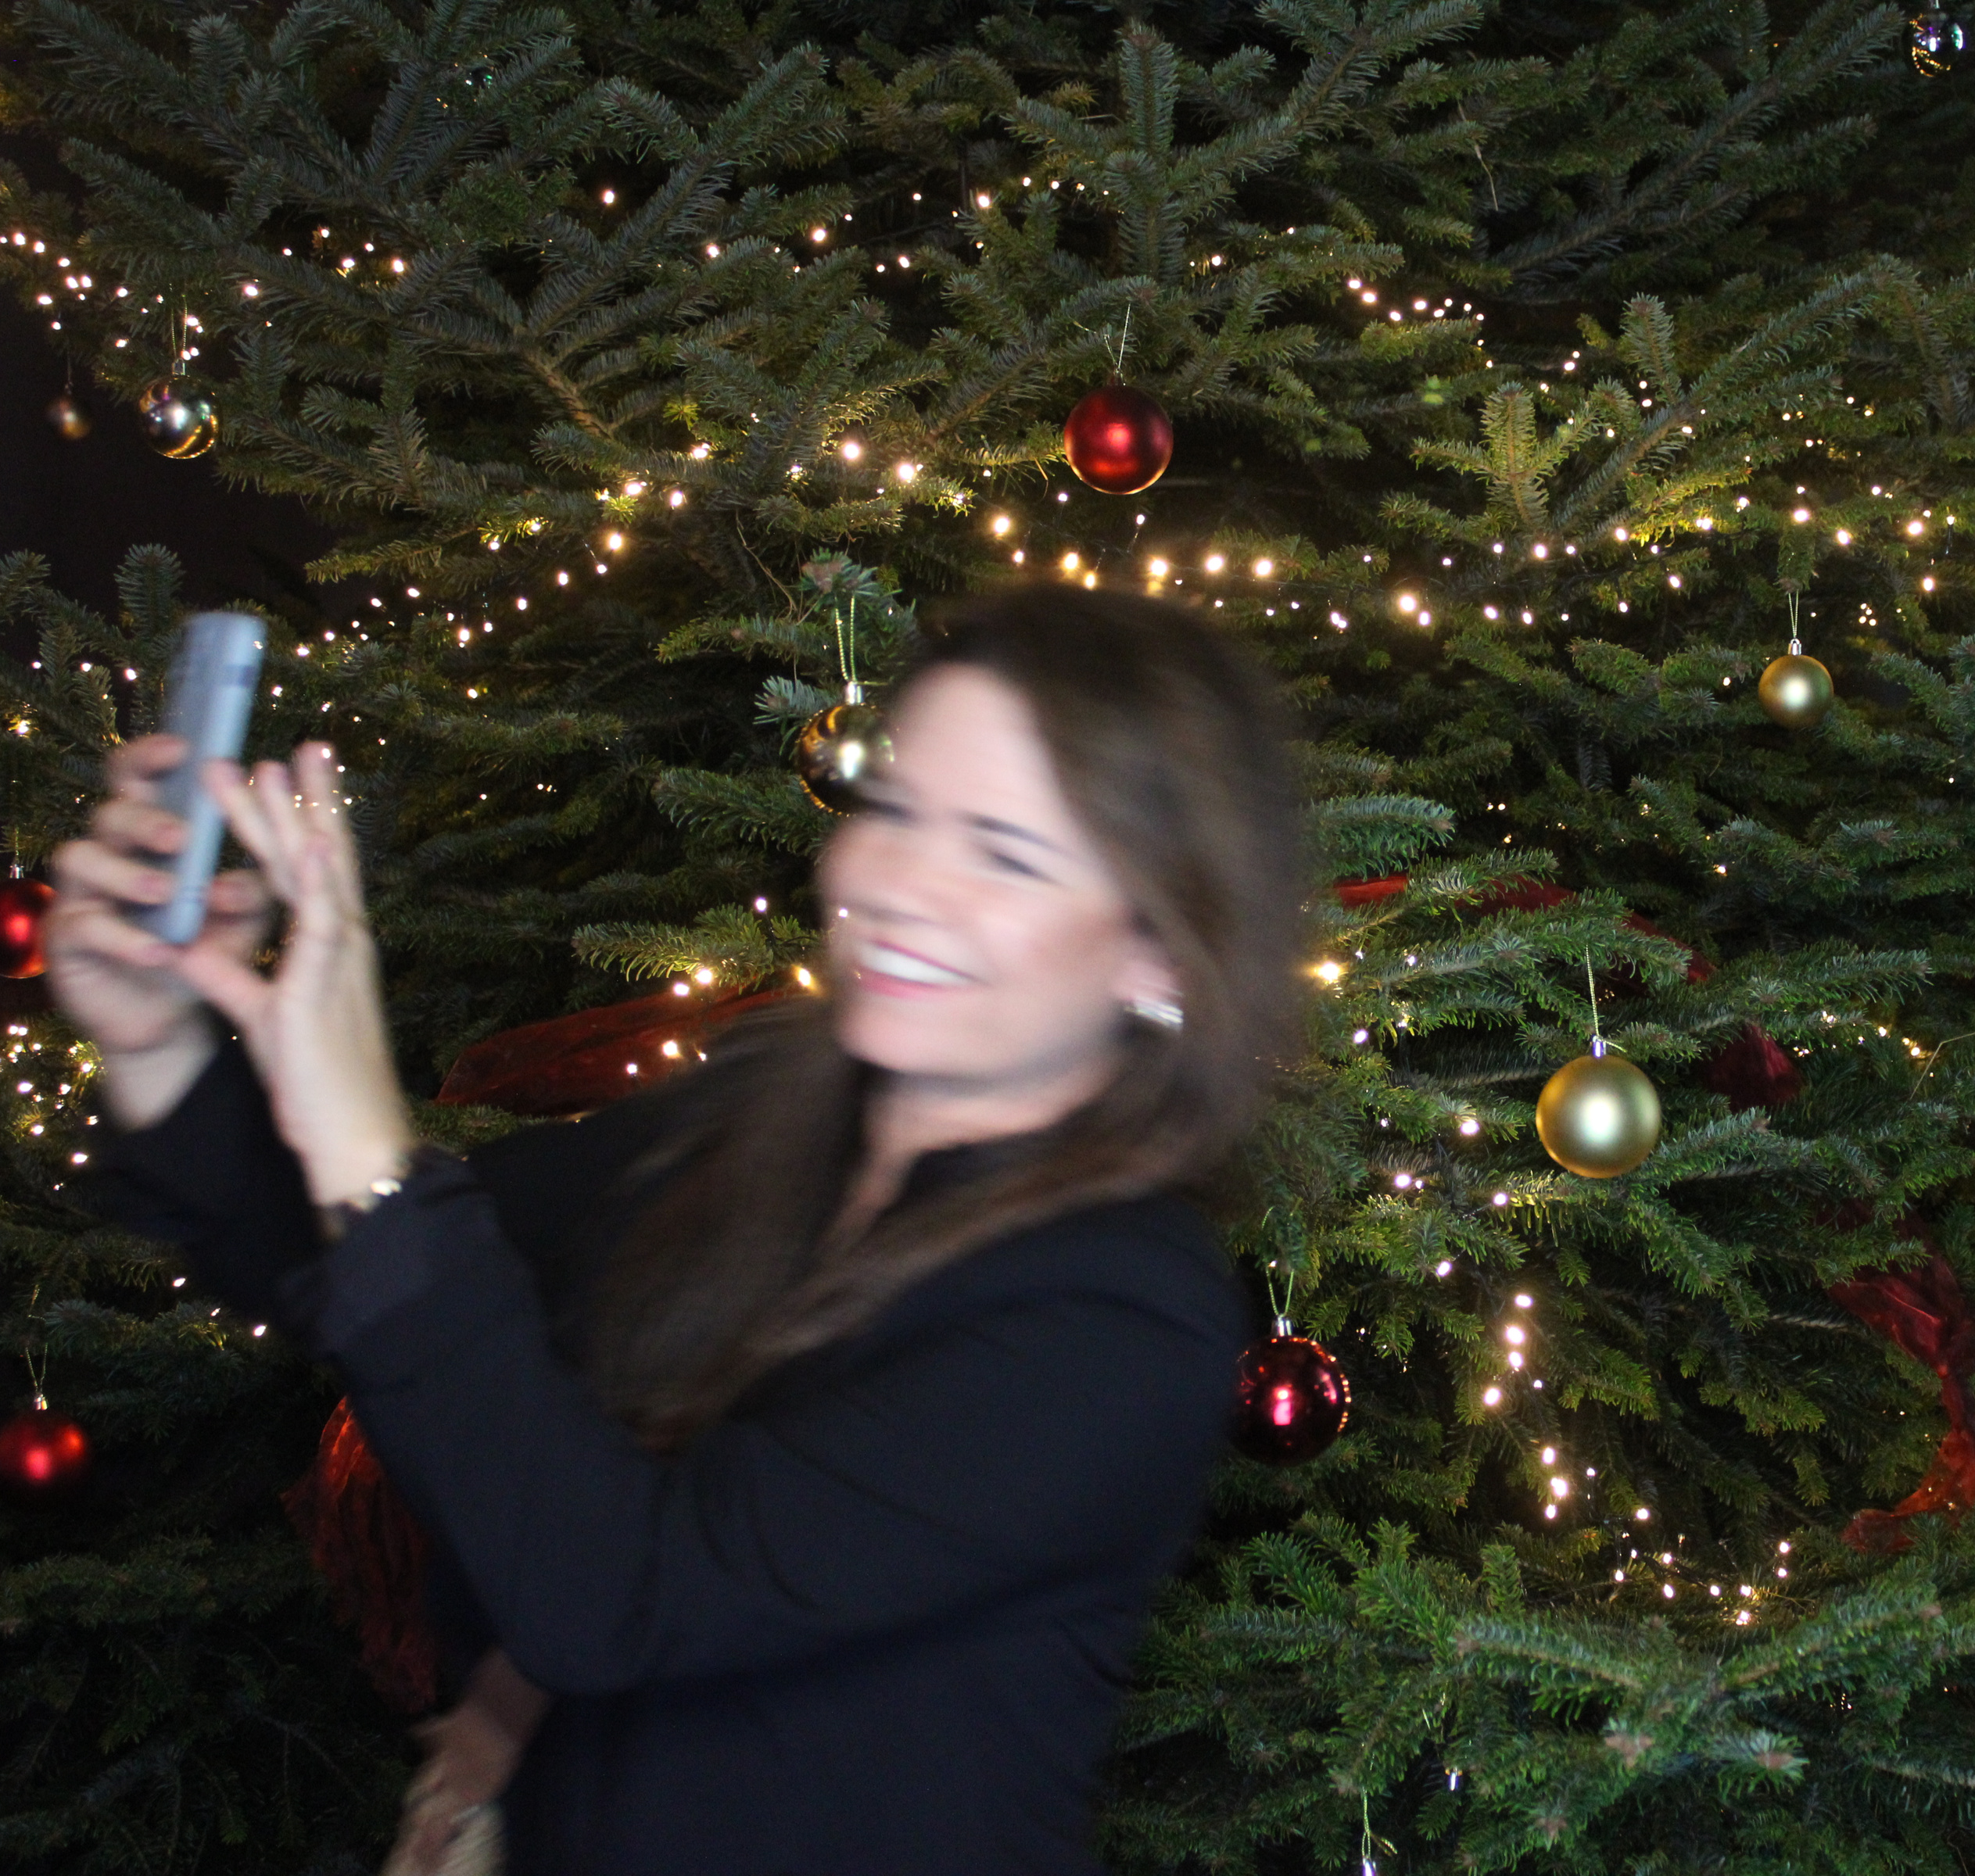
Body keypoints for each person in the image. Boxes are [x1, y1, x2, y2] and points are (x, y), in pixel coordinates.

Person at [49, 589, 1308, 1874]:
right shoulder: (764, 1110)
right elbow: (360, 1272)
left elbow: (617, 1596)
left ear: (1161, 955)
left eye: (1006, 853)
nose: (895, 884)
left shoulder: (1122, 1313)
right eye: (894, 808)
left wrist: (368, 1150)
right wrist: (155, 1040)